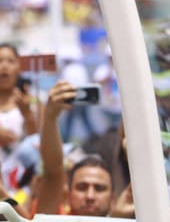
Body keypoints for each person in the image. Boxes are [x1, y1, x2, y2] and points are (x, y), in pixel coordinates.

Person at [35, 80, 133, 218]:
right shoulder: (52, 218)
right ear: (66, 195)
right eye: (81, 187)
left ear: (113, 199)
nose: (90, 196)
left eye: (99, 188)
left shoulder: (122, 217)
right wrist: (50, 116)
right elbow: (53, 172)